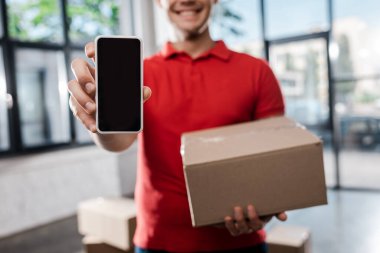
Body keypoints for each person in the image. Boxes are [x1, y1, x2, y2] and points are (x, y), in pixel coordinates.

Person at [68, 0, 288, 252]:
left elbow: (275, 155)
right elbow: (118, 141)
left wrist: (268, 204)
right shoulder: (139, 73)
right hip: (159, 240)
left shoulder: (257, 71)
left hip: (241, 240)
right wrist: (99, 118)